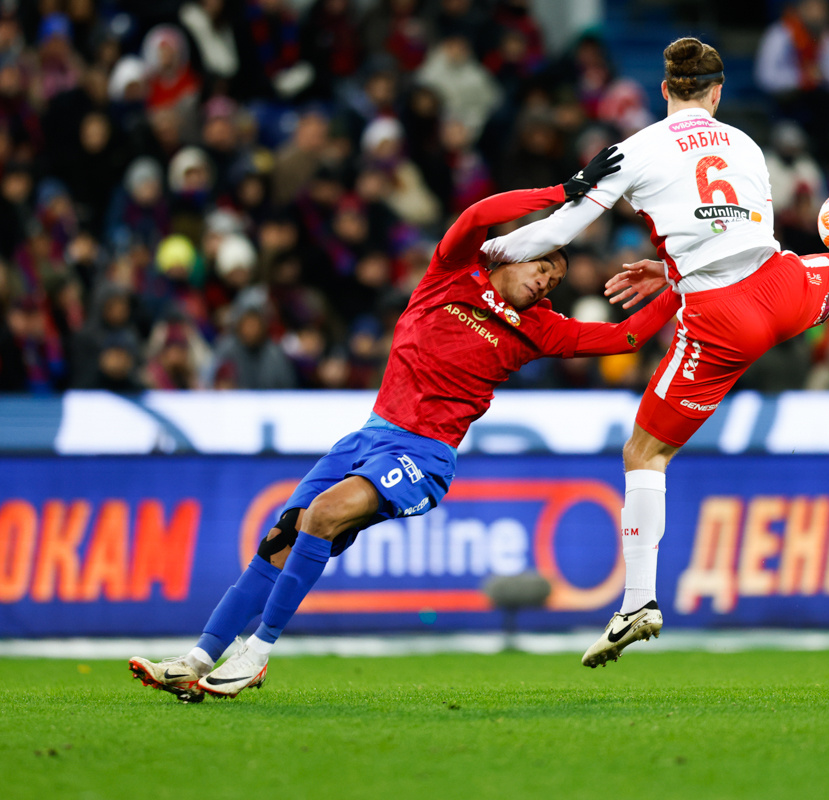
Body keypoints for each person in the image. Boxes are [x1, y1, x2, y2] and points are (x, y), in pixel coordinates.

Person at [482, 37, 829, 668]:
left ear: (663, 90)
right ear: (718, 93)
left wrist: (483, 257)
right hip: (781, 290)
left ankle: (638, 602)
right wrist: (669, 273)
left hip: (721, 318)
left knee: (646, 452)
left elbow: (559, 230)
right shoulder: (747, 144)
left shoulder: (634, 148)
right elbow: (734, 235)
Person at [129, 148, 682, 701]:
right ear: (512, 256)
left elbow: (624, 337)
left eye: (555, 280)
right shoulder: (452, 274)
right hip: (369, 436)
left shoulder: (540, 328)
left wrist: (682, 283)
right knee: (277, 541)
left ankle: (258, 652)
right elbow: (475, 217)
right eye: (542, 265)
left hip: (424, 455)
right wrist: (561, 194)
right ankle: (198, 658)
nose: (545, 282)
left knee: (322, 515)